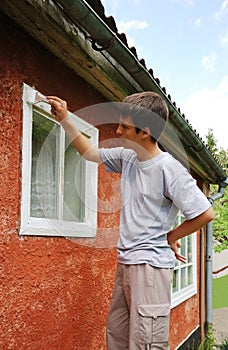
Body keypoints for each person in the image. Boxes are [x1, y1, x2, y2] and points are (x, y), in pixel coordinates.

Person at [47, 92, 214, 350]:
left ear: (144, 132)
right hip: (126, 262)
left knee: (146, 343)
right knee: (118, 337)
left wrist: (170, 237)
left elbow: (204, 212)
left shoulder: (169, 169)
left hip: (149, 268)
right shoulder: (128, 158)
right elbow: (90, 153)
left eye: (124, 126)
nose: (118, 130)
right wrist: (66, 119)